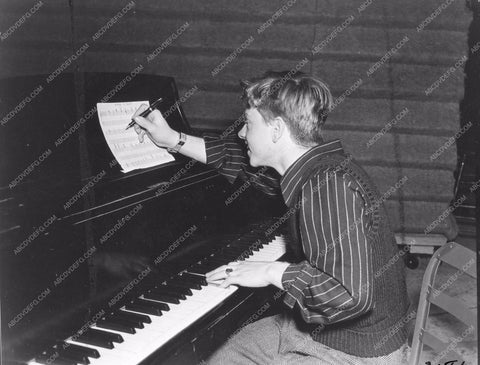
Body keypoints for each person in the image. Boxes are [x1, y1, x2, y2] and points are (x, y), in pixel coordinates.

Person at [132, 71, 411, 364]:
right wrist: (171, 139)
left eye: (248, 124)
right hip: (320, 330)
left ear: (276, 130)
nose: (241, 134)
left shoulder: (328, 185)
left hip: (356, 350)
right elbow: (234, 158)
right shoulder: (312, 166)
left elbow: (348, 295)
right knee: (216, 357)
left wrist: (271, 272)